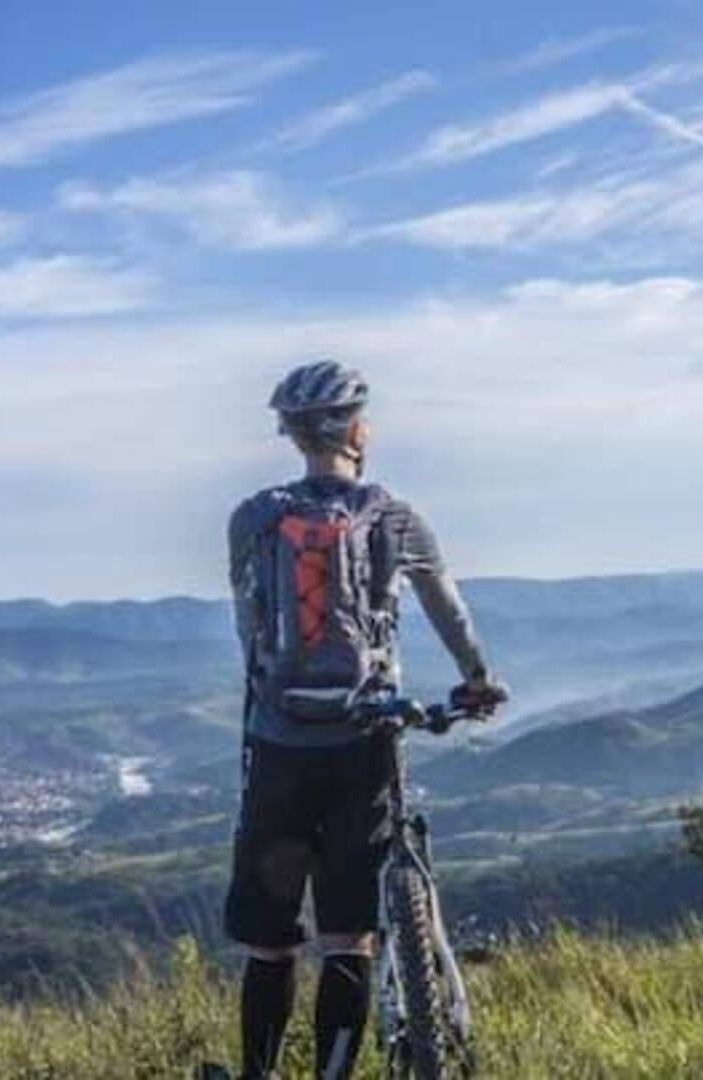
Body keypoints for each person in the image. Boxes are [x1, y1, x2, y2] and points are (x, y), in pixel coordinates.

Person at [218, 360, 507, 1080]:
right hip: (363, 745)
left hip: (279, 746)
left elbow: (249, 630)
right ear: (354, 428)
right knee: (348, 936)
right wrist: (477, 681)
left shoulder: (252, 520)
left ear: (293, 436)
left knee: (272, 940)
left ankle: (257, 1073)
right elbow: (450, 613)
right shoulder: (394, 516)